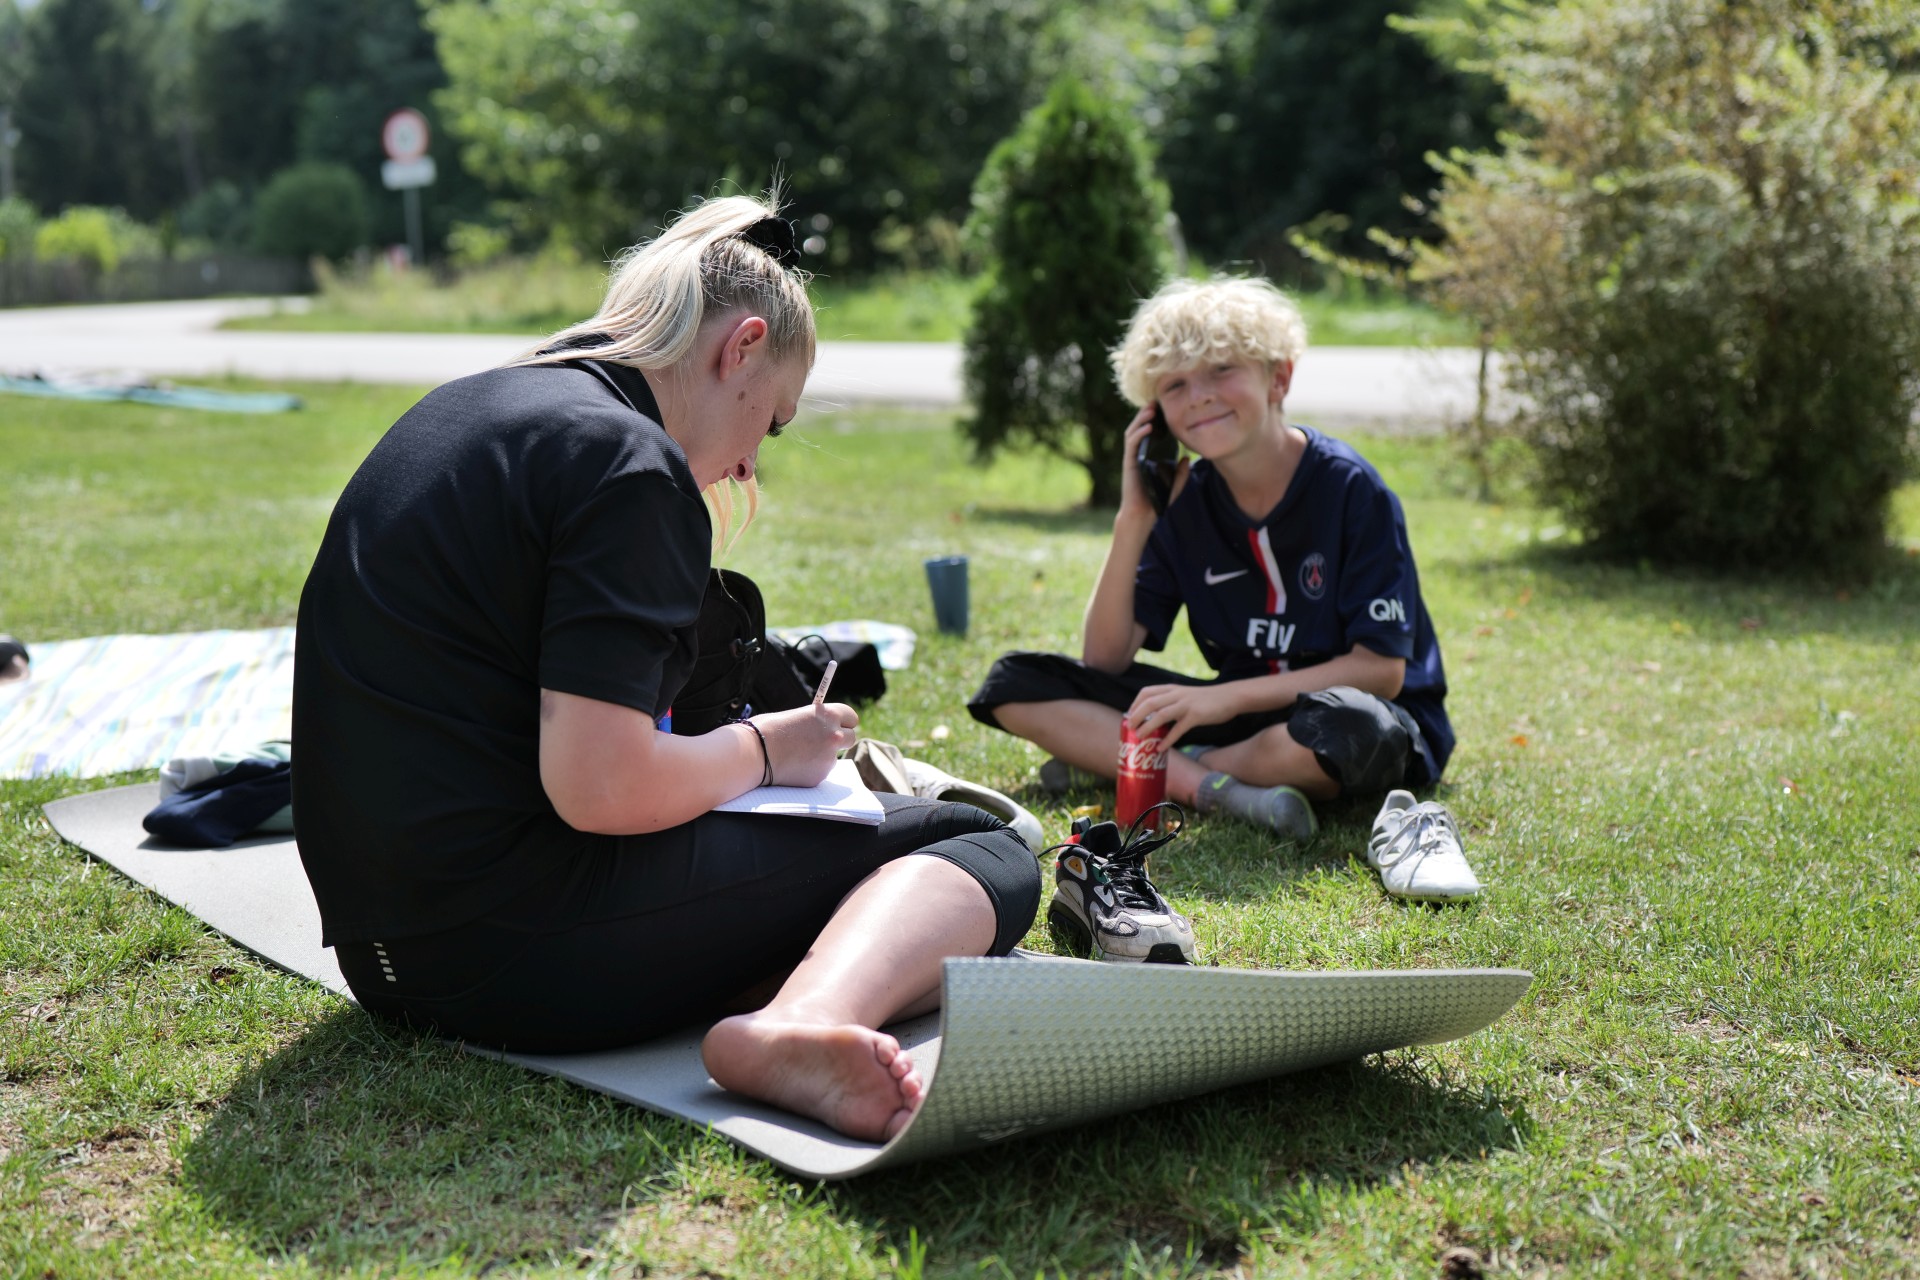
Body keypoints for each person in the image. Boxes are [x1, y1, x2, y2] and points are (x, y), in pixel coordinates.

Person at [292, 195, 1040, 1143]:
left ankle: (790, 986)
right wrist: (765, 751)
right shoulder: (629, 463)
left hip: (381, 953)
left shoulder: (471, 405)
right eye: (771, 423)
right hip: (504, 960)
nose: (747, 468)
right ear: (743, 348)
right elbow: (601, 787)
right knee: (981, 848)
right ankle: (802, 1023)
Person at [969, 276, 1471, 920]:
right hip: (1242, 721)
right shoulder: (1182, 503)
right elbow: (1105, 659)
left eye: (1221, 370)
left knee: (1354, 726)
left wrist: (1219, 700)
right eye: (1175, 385)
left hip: (1356, 719)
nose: (1199, 395)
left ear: (1278, 378)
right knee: (1015, 681)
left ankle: (1141, 764)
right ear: (1156, 414)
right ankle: (1211, 787)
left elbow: (1381, 670)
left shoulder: (1352, 489)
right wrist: (1134, 518)